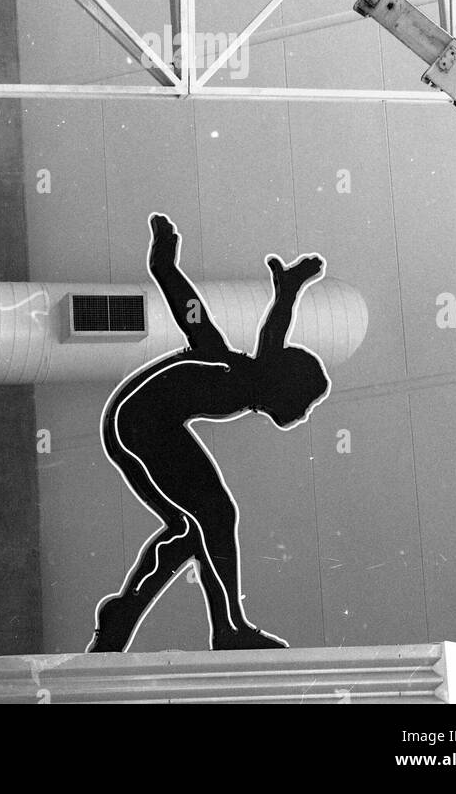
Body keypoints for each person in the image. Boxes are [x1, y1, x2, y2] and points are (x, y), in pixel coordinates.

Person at [87, 212, 330, 653]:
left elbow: (270, 333)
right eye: (305, 403)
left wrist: (291, 289)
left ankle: (124, 612)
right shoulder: (227, 369)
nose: (304, 415)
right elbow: (195, 315)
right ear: (282, 387)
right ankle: (229, 626)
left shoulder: (246, 371)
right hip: (140, 426)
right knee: (214, 516)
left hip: (150, 426)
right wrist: (164, 266)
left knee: (191, 528)